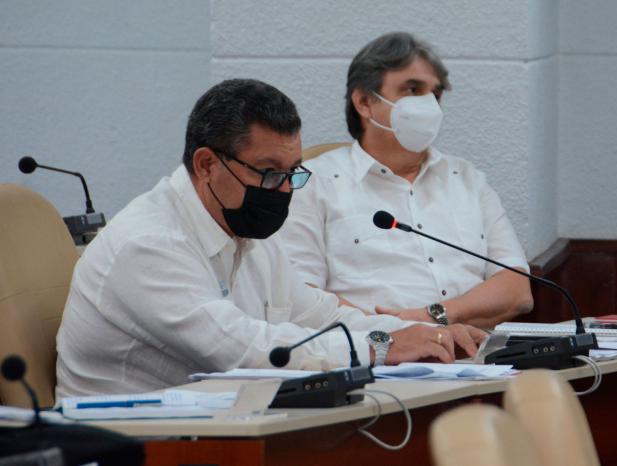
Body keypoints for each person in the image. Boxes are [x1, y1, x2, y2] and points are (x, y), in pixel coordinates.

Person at [55, 79, 486, 398]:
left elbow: (321, 315)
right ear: (207, 165)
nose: (282, 190)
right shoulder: (148, 244)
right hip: (127, 444)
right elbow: (244, 351)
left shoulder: (247, 232)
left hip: (216, 431)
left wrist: (425, 334)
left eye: (291, 172)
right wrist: (383, 346)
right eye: (268, 172)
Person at [278, 32, 533, 329]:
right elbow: (303, 295)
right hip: (373, 350)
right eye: (412, 90)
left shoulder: (467, 179)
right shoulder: (314, 183)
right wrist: (398, 333)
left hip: (475, 348)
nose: (429, 105)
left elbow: (517, 289)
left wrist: (436, 316)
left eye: (435, 94)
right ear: (364, 101)